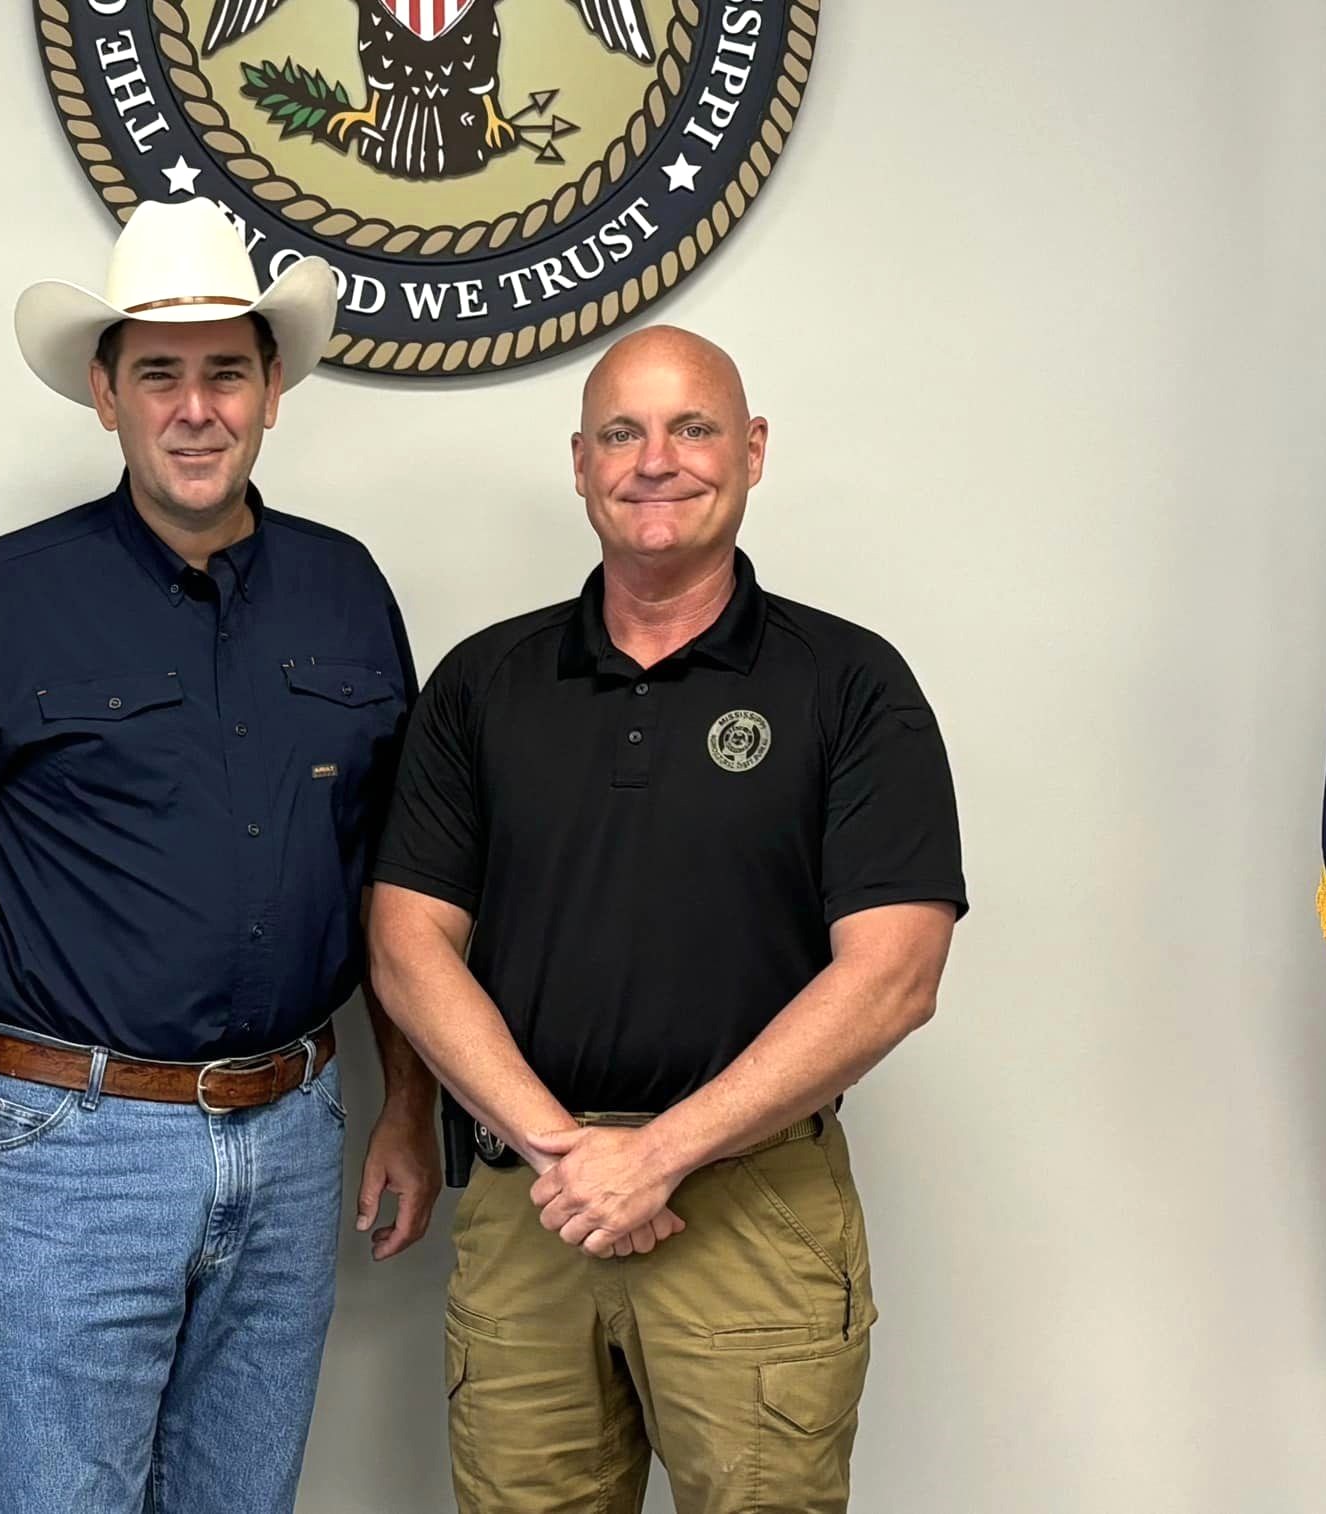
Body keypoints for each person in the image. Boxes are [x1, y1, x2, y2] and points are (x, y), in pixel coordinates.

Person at [0, 197, 439, 1514]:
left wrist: (409, 1104)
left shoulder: (348, 591)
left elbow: (393, 889)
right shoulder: (1, 595)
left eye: (226, 371)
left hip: (293, 1138)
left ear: (272, 389)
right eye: (159, 373)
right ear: (105, 395)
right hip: (71, 1149)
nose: (195, 408)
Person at [368, 325, 966, 1513]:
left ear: (751, 450)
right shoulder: (482, 683)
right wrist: (563, 1150)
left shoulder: (850, 684)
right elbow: (404, 943)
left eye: (691, 428)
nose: (655, 460)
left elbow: (894, 971)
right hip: (531, 1204)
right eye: (621, 433)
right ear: (578, 463)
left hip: (749, 1212)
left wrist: (657, 1153)